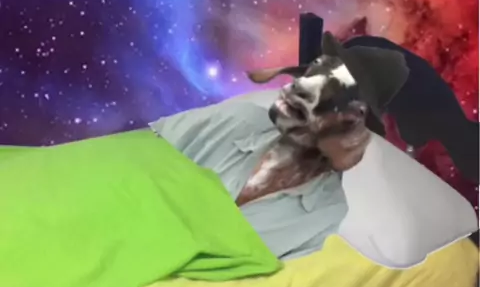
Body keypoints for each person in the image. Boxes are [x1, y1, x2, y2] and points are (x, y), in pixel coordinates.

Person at [150, 33, 409, 261]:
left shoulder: (326, 216)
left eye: (337, 88)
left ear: (353, 121)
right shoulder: (235, 120)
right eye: (316, 68)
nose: (301, 84)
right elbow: (138, 150)